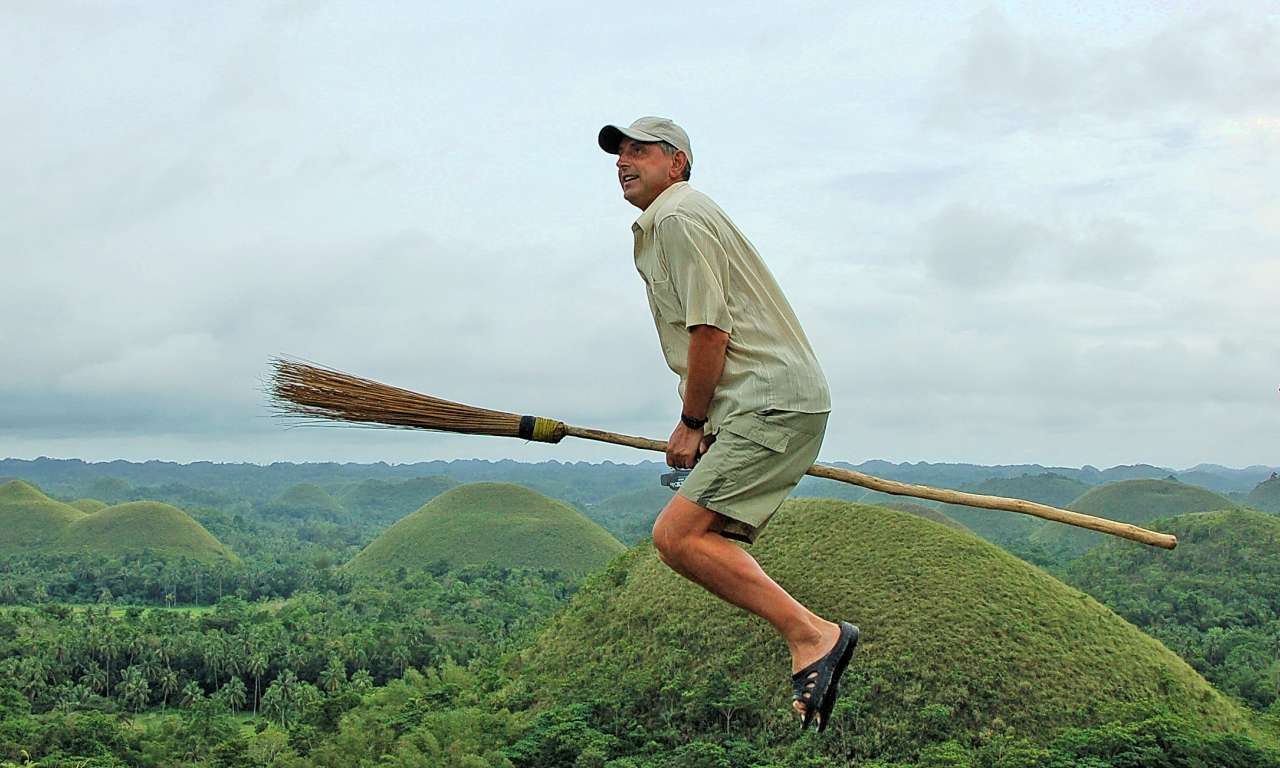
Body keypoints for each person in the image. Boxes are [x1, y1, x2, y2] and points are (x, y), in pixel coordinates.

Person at [598, 116, 858, 732]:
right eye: (619, 153)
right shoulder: (673, 220)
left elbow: (709, 331)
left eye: (640, 151)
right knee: (702, 535)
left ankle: (815, 636)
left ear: (677, 163)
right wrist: (713, 419)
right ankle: (812, 637)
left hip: (773, 402)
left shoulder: (679, 218)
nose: (623, 161)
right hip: (761, 401)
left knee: (678, 537)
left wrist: (691, 421)